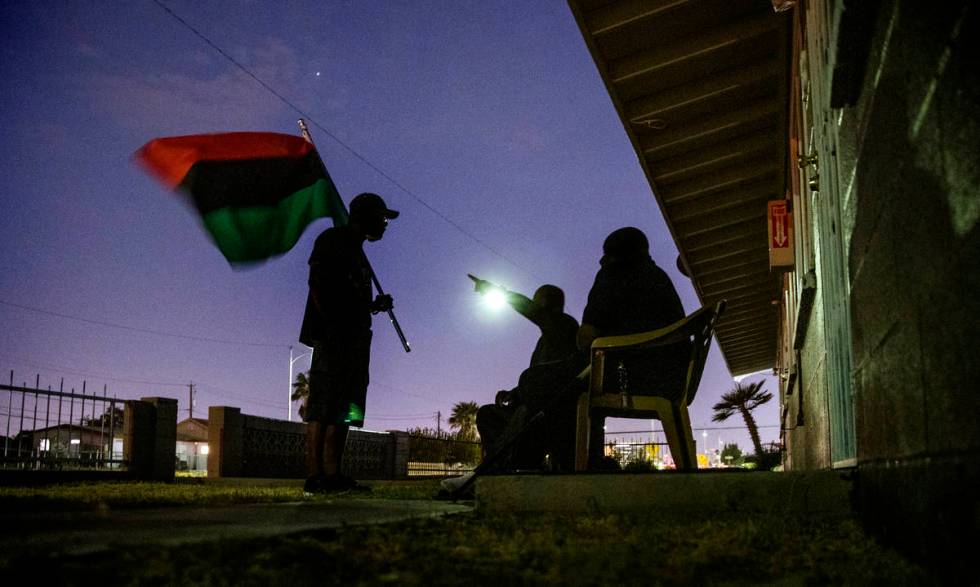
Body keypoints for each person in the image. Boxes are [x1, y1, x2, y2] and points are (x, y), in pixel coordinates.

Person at [298, 192, 398, 494]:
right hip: (333, 338)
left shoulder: (359, 253)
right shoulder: (333, 240)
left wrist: (373, 307)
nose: (384, 224)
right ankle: (315, 477)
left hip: (355, 341)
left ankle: (334, 474)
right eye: (381, 218)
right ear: (365, 216)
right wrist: (331, 328)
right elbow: (318, 283)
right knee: (323, 404)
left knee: (346, 408)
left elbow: (350, 299)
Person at [578, 226, 688, 467]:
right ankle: (591, 462)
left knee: (551, 383)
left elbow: (586, 338)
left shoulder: (612, 276)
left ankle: (576, 463)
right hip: (671, 380)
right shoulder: (658, 278)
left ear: (611, 256)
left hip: (628, 376)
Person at [472, 280, 584, 473]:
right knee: (488, 414)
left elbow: (549, 378)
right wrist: (512, 394)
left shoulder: (567, 326)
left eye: (536, 301)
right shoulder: (542, 343)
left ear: (547, 304)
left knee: (525, 411)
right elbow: (536, 376)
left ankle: (492, 469)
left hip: (554, 409)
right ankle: (506, 465)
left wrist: (499, 291)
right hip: (531, 405)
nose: (533, 305)